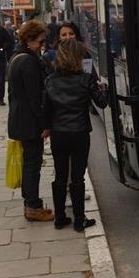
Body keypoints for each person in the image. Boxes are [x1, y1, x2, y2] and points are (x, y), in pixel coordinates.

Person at [44, 39, 108, 231]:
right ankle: (80, 220)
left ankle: (60, 217)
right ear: (78, 58)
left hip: (59, 133)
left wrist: (47, 128)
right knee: (77, 177)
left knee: (60, 175)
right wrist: (104, 88)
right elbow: (102, 103)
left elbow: (46, 110)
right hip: (79, 133)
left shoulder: (50, 80)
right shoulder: (85, 79)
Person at [7, 19, 54, 222]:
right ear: (29, 39)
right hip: (29, 121)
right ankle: (33, 206)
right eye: (40, 41)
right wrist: (44, 124)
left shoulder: (17, 57)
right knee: (32, 164)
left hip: (20, 118)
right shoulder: (27, 61)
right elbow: (35, 97)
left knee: (31, 162)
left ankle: (31, 203)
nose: (42, 45)